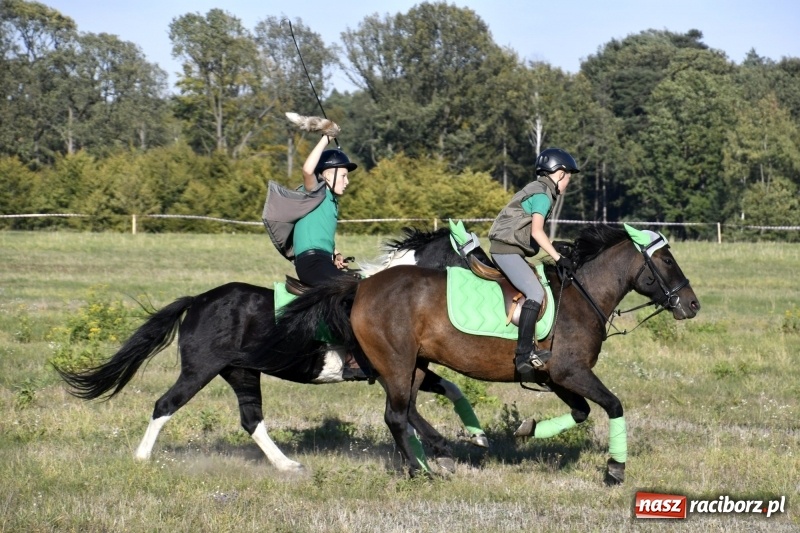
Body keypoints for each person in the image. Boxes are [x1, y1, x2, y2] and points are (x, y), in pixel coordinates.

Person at [263, 132, 365, 380]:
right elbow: (308, 169)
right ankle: (352, 360)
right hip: (310, 262)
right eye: (343, 175)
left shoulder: (330, 201)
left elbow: (318, 233)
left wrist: (335, 252)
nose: (347, 181)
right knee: (350, 290)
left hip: (321, 258)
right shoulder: (315, 190)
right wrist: (325, 138)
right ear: (327, 175)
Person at [488, 148, 579, 375]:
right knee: (536, 293)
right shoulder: (542, 195)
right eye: (568, 177)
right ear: (559, 173)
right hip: (506, 251)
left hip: (511, 249)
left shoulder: (537, 189)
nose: (568, 182)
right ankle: (524, 355)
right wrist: (559, 259)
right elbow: (538, 232)